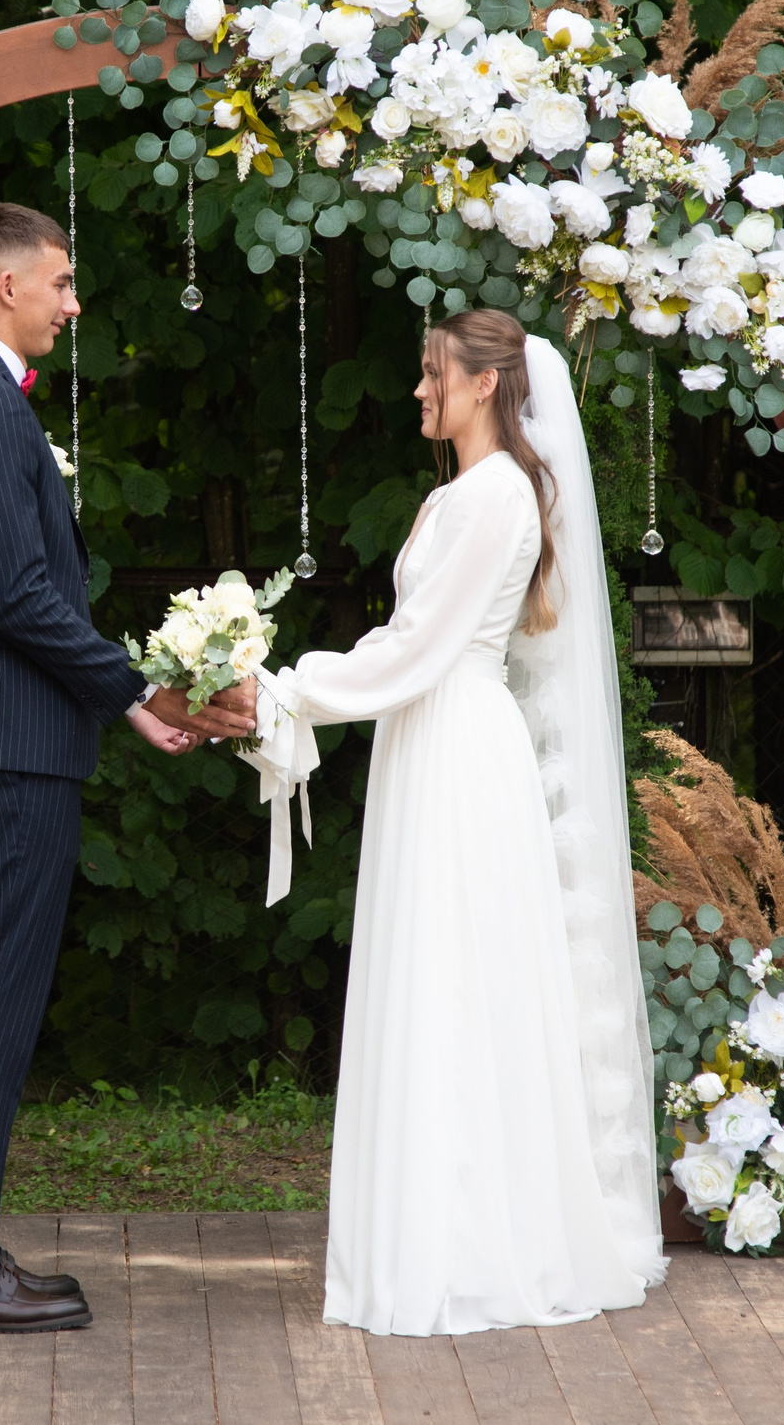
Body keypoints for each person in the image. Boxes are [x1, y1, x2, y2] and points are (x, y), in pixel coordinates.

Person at [0, 201, 255, 1333]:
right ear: (3, 287)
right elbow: (23, 596)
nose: (73, 302)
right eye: (61, 282)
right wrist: (140, 693)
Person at [266, 307, 666, 1336]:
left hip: (455, 742)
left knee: (455, 977)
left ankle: (464, 1245)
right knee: (433, 972)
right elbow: (407, 642)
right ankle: (435, 1227)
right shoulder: (466, 494)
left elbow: (413, 649)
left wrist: (281, 688)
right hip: (429, 738)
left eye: (432, 371)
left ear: (485, 382)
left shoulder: (493, 498)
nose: (418, 388)